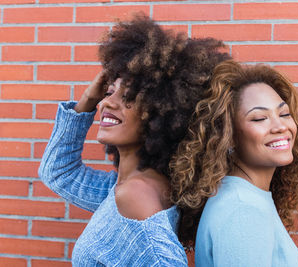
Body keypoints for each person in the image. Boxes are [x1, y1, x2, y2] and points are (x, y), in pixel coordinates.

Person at [38, 15, 229, 266]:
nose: (106, 102)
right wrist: (88, 98)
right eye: (108, 92)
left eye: (127, 95)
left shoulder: (136, 196)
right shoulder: (129, 186)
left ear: (163, 112)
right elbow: (58, 173)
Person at [170, 60, 298, 266]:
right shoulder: (241, 211)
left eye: (284, 114)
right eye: (259, 118)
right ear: (229, 136)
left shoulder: (247, 197)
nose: (280, 126)